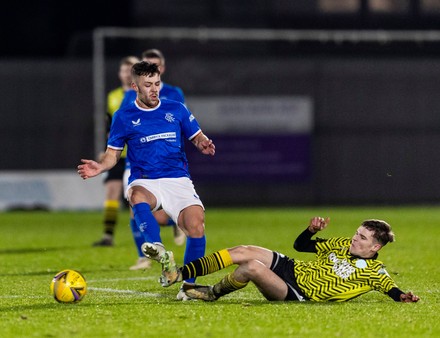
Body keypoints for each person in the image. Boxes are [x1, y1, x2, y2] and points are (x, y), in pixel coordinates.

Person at [77, 61, 215, 300]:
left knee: (196, 225)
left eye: (157, 84)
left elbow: (197, 136)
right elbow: (112, 155)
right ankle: (159, 250)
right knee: (135, 195)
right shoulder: (123, 116)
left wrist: (203, 143)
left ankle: (189, 286)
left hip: (177, 179)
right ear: (135, 87)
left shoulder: (177, 109)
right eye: (148, 85)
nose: (154, 89)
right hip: (146, 180)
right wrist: (100, 167)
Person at [159, 217, 420, 303]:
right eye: (356, 233)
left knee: (250, 267)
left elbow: (391, 288)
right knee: (243, 249)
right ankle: (179, 273)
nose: (354, 238)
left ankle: (212, 292)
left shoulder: (374, 270)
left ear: (375, 246)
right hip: (293, 268)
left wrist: (403, 297)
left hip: (296, 291)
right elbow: (300, 246)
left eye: (361, 238)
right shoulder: (342, 244)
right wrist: (311, 231)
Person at [125, 49, 187, 270]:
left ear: (163, 68)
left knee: (163, 213)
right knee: (135, 205)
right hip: (137, 161)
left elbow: (182, 123)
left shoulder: (173, 93)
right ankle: (144, 255)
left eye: (157, 65)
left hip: (168, 161)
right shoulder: (129, 95)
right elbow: (126, 122)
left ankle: (175, 223)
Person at [93, 56, 139, 247]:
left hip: (138, 154)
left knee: (136, 199)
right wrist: (105, 151)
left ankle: (145, 238)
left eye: (131, 70)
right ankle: (108, 235)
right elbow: (109, 127)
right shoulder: (113, 96)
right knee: (112, 191)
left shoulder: (145, 94)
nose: (127, 74)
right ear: (120, 73)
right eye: (124, 70)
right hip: (117, 154)